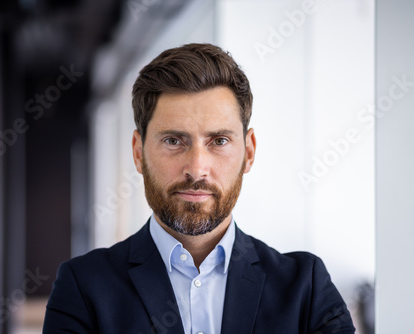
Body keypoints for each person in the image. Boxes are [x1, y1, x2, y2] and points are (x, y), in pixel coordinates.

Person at [43, 43, 355, 334]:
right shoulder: (83, 287)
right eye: (173, 141)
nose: (196, 168)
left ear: (248, 152)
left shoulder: (306, 288)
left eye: (219, 141)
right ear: (138, 153)